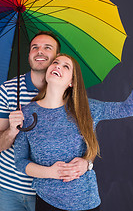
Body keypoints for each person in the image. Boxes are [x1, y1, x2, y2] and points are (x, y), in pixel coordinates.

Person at [13, 53, 133, 211]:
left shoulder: (86, 109)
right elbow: (20, 162)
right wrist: (50, 172)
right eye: (55, 63)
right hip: (48, 202)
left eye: (65, 66)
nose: (57, 66)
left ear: (72, 82)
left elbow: (128, 108)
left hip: (87, 201)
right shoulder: (26, 113)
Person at [0, 32, 89, 211]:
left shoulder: (71, 98)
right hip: (9, 191)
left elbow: (85, 143)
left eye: (47, 48)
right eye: (35, 47)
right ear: (29, 55)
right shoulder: (8, 90)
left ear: (57, 57)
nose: (39, 51)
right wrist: (11, 130)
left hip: (50, 195)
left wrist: (87, 162)